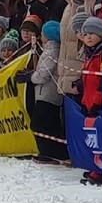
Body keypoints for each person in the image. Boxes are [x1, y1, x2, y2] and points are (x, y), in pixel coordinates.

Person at [29, 21, 67, 161]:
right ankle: (55, 152)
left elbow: (43, 75)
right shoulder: (52, 50)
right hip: (51, 93)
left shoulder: (50, 51)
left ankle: (48, 153)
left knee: (40, 124)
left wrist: (31, 77)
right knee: (50, 123)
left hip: (47, 93)